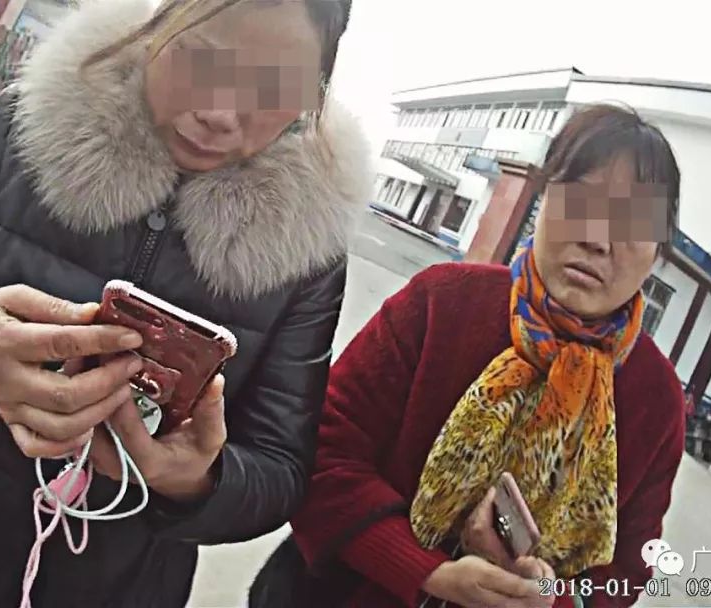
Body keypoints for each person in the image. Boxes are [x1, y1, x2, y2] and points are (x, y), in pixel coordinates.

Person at [0, 0, 366, 605]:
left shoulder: (309, 245)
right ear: (157, 25)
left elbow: (279, 470)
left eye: (271, 88)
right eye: (200, 58)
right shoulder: (27, 124)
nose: (219, 112)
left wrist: (194, 481)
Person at [254, 104, 686, 608]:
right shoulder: (441, 303)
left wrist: (549, 598)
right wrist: (428, 573)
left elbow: (625, 574)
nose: (597, 239)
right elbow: (322, 453)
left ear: (658, 255)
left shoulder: (655, 400)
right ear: (543, 200)